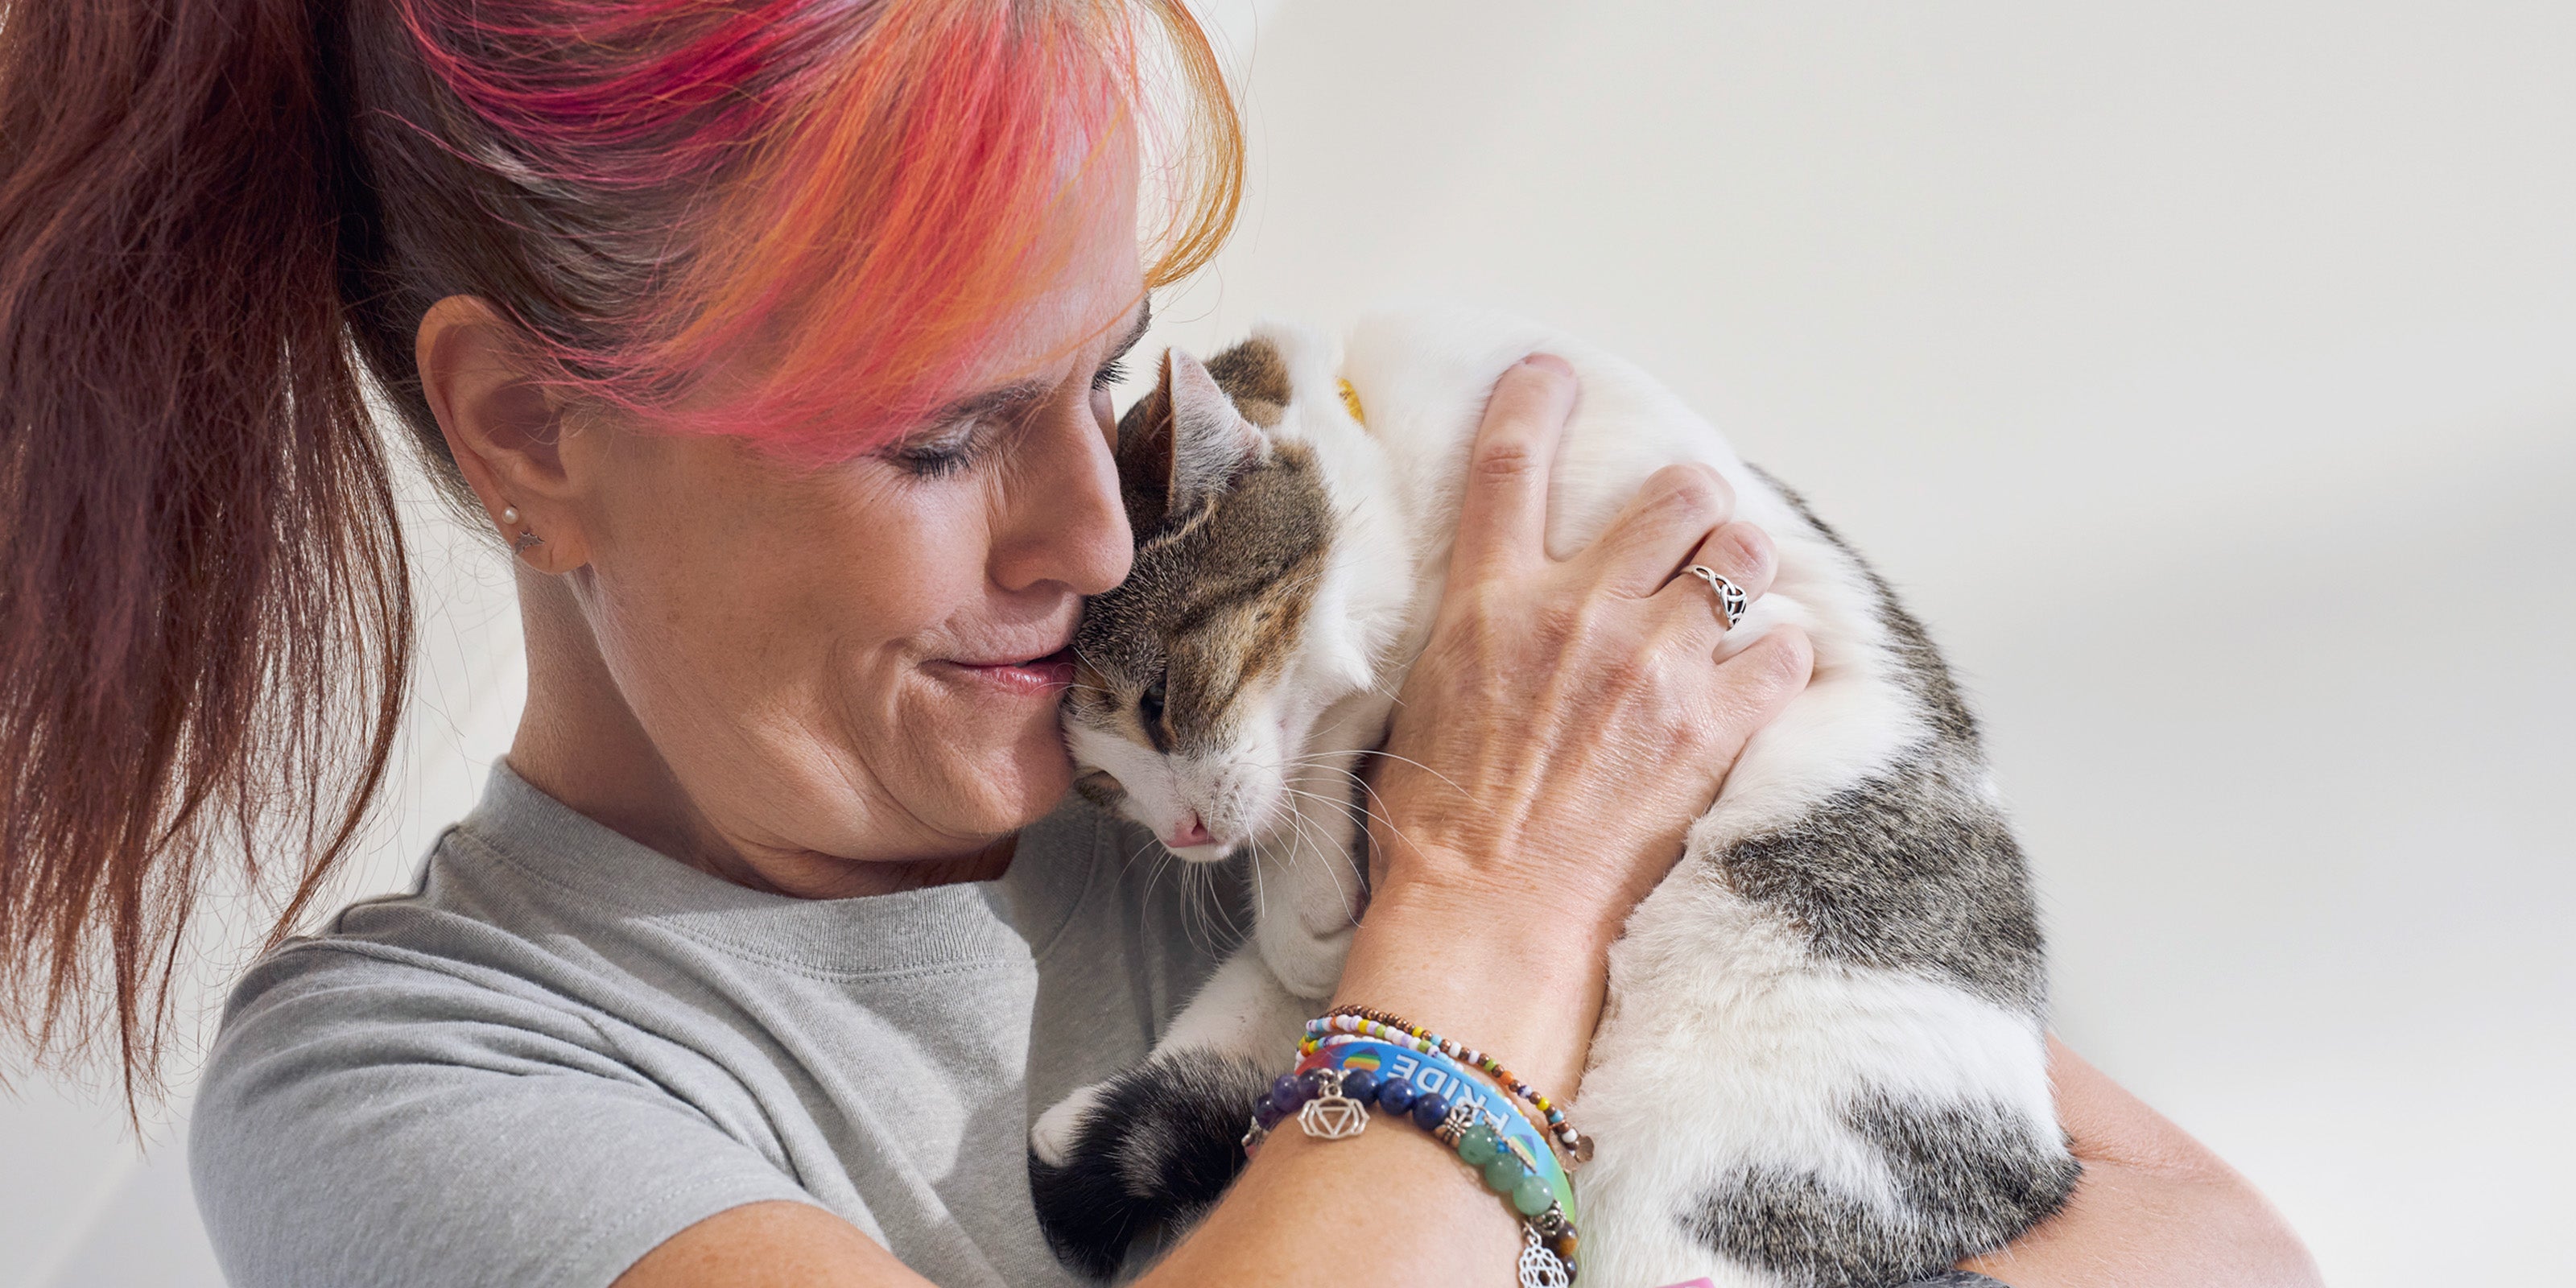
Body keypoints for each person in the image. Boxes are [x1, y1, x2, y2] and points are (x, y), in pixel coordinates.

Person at [0, 1, 2320, 1284]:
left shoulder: (1275, 687)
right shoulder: (425, 1087)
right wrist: (1487, 916)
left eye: (1108, 371)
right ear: (532, 434)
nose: (1096, 526)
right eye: (938, 443)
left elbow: (2208, 1249)